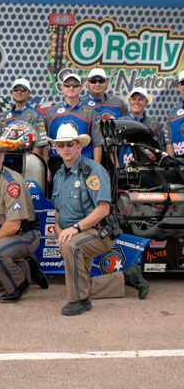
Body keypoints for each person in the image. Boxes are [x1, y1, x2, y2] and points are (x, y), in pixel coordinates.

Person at [50, 124, 149, 316]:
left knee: (71, 246)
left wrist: (74, 229)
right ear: (56, 148)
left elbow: (103, 209)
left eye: (70, 144)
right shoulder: (59, 175)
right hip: (76, 233)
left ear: (79, 146)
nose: (65, 149)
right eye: (61, 145)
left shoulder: (93, 170)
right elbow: (58, 211)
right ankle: (127, 277)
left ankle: (80, 301)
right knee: (81, 282)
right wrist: (60, 232)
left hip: (99, 232)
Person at [0, 135, 47, 303]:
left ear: (1, 156)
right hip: (1, 238)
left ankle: (18, 285)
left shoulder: (12, 182)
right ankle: (26, 268)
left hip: (24, 235)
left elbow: (13, 225)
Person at [45, 71, 102, 175]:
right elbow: (45, 143)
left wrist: (96, 169)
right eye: (67, 85)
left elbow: (97, 143)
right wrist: (45, 168)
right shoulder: (51, 112)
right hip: (57, 163)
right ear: (62, 88)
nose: (71, 88)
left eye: (75, 85)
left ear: (80, 89)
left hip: (83, 163)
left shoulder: (91, 112)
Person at [0, 78, 48, 159]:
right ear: (12, 92)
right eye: (16, 89)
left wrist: (32, 163)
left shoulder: (36, 115)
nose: (19, 92)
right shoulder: (5, 115)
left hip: (25, 159)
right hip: (5, 159)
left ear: (29, 93)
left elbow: (39, 144)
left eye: (23, 89)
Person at [118, 87, 164, 167]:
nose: (136, 102)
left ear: (146, 102)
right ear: (129, 101)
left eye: (140, 99)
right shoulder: (121, 122)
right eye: (134, 99)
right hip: (126, 168)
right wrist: (117, 168)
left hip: (150, 168)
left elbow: (161, 149)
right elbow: (112, 149)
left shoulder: (155, 124)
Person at [164, 71, 184, 158]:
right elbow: (169, 143)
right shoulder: (173, 113)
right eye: (183, 83)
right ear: (179, 87)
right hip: (180, 161)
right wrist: (171, 163)